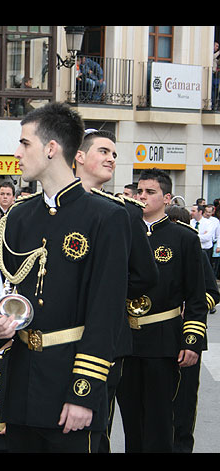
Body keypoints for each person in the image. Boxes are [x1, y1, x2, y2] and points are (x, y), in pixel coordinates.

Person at [0, 102, 131, 453]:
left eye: (25, 143)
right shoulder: (18, 217)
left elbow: (106, 313)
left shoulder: (106, 217)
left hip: (70, 386)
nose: (17, 153)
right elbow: (10, 292)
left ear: (52, 149)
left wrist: (84, 392)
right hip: (20, 382)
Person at [74, 128, 159, 453]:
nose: (111, 158)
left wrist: (104, 291)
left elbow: (145, 274)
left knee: (95, 429)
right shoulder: (51, 208)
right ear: (78, 156)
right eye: (104, 152)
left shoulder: (124, 211)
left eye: (114, 154)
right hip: (56, 334)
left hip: (105, 335)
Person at [116, 168, 208, 453]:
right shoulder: (121, 235)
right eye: (140, 191)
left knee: (159, 420)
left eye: (150, 192)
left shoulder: (183, 238)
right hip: (126, 341)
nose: (142, 197)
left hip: (162, 339)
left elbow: (196, 297)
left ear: (167, 198)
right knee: (130, 420)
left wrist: (191, 341)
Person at [165, 205, 220, 452]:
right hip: (161, 334)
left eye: (179, 223)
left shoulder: (193, 248)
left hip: (189, 333)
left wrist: (191, 307)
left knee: (185, 401)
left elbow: (212, 293)